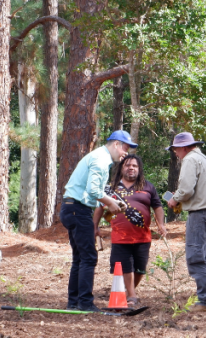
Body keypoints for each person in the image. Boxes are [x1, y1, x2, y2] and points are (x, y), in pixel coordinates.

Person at [60, 130, 137, 312]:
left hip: (71, 208)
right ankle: (85, 303)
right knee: (88, 257)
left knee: (79, 258)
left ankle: (74, 302)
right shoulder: (101, 160)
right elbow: (93, 190)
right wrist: (110, 203)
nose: (126, 152)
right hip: (78, 210)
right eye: (125, 147)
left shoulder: (100, 158)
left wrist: (112, 201)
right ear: (116, 144)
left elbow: (95, 192)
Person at [92, 154, 167, 306]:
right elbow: (100, 208)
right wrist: (95, 226)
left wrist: (161, 224)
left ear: (139, 169)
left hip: (143, 236)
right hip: (120, 236)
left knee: (140, 269)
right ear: (121, 168)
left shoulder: (148, 186)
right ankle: (132, 296)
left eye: (134, 166)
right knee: (126, 266)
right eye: (127, 165)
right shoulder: (111, 188)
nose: (131, 168)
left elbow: (157, 207)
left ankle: (127, 293)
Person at [166, 131, 206, 313]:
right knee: (205, 257)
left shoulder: (190, 159)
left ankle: (205, 300)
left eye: (175, 149)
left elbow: (187, 189)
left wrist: (175, 198)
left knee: (195, 257)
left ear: (183, 147)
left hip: (199, 214)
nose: (175, 153)